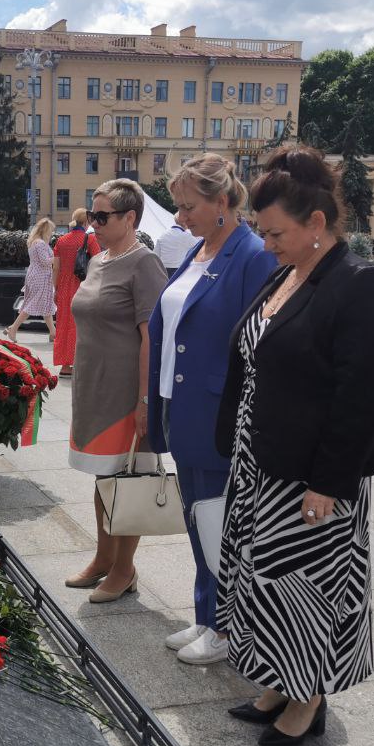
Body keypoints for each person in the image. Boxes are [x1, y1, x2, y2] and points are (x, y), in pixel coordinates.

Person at [214, 145, 374, 746]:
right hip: (260, 463)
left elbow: (362, 397)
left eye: (276, 233)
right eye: (262, 233)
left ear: (316, 224)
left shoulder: (358, 284)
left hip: (309, 476)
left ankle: (307, 698)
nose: (267, 244)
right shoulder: (286, 273)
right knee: (261, 579)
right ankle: (276, 683)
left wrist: (329, 480)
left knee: (303, 588)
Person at [147, 154, 276, 665]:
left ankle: (226, 627)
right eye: (177, 206)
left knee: (218, 522)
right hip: (179, 407)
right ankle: (206, 614)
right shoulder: (200, 250)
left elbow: (257, 343)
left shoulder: (250, 255)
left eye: (188, 206)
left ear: (223, 202)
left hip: (219, 412)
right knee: (198, 517)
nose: (180, 217)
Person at [66, 179, 168, 602]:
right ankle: (103, 558)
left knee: (129, 480)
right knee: (104, 478)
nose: (93, 223)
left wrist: (146, 400)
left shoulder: (144, 264)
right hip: (94, 387)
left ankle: (124, 569)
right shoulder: (100, 259)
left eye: (102, 216)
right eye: (92, 214)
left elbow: (152, 338)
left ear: (130, 218)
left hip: (127, 394)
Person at [52, 209, 99, 377]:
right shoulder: (90, 239)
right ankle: (80, 363)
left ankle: (65, 365)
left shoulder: (61, 240)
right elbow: (98, 263)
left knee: (63, 325)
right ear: (86, 222)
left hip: (64, 286)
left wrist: (55, 288)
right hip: (82, 285)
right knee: (81, 325)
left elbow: (56, 267)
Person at [5, 217, 57, 343]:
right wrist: (58, 259)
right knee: (33, 304)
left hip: (37, 275)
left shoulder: (35, 242)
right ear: (45, 230)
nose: (52, 233)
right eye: (51, 230)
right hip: (41, 277)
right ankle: (13, 328)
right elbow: (45, 262)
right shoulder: (40, 243)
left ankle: (53, 333)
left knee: (46, 305)